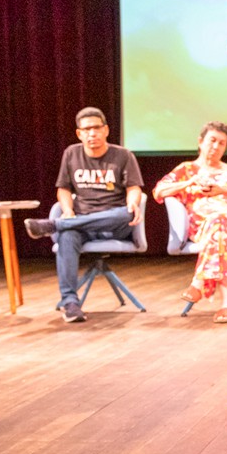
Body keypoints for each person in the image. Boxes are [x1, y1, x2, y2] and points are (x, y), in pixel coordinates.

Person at [24, 107, 144, 323]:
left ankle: (54, 225)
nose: (92, 133)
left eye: (96, 128)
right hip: (82, 223)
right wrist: (68, 211)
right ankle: (70, 303)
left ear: (106, 130)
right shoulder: (71, 153)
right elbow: (63, 189)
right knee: (67, 235)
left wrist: (133, 202)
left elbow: (134, 187)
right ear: (79, 133)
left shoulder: (123, 155)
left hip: (113, 223)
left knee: (124, 213)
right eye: (86, 129)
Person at [152, 121, 227, 324]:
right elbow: (159, 192)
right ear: (200, 142)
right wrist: (189, 182)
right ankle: (225, 304)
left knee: (222, 222)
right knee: (220, 230)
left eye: (221, 143)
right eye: (212, 140)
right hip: (204, 224)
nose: (216, 146)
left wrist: (222, 190)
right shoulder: (187, 169)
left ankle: (198, 284)